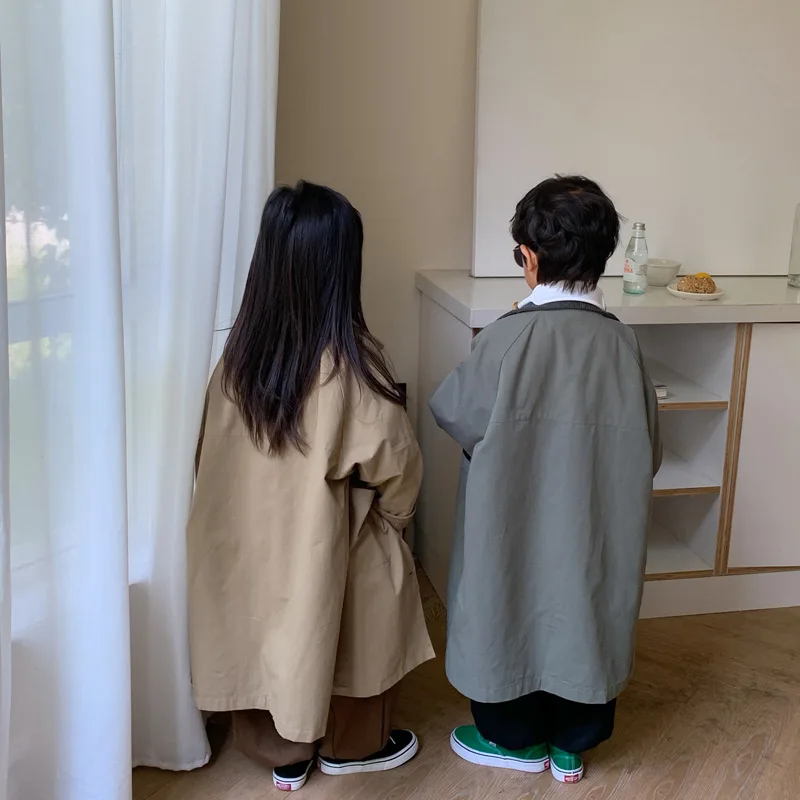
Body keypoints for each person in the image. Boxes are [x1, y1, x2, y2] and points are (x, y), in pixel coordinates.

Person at [187, 181, 435, 792]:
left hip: (240, 546)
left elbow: (205, 459)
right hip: (323, 548)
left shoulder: (233, 363)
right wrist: (389, 527)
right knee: (371, 566)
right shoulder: (352, 367)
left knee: (263, 607)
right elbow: (398, 470)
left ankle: (282, 750)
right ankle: (353, 744)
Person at [430, 175, 661, 785]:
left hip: (513, 519)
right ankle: (572, 747)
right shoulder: (624, 345)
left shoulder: (508, 337)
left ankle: (511, 739)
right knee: (589, 608)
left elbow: (454, 411)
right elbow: (651, 448)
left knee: (507, 603)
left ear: (529, 259)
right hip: (595, 527)